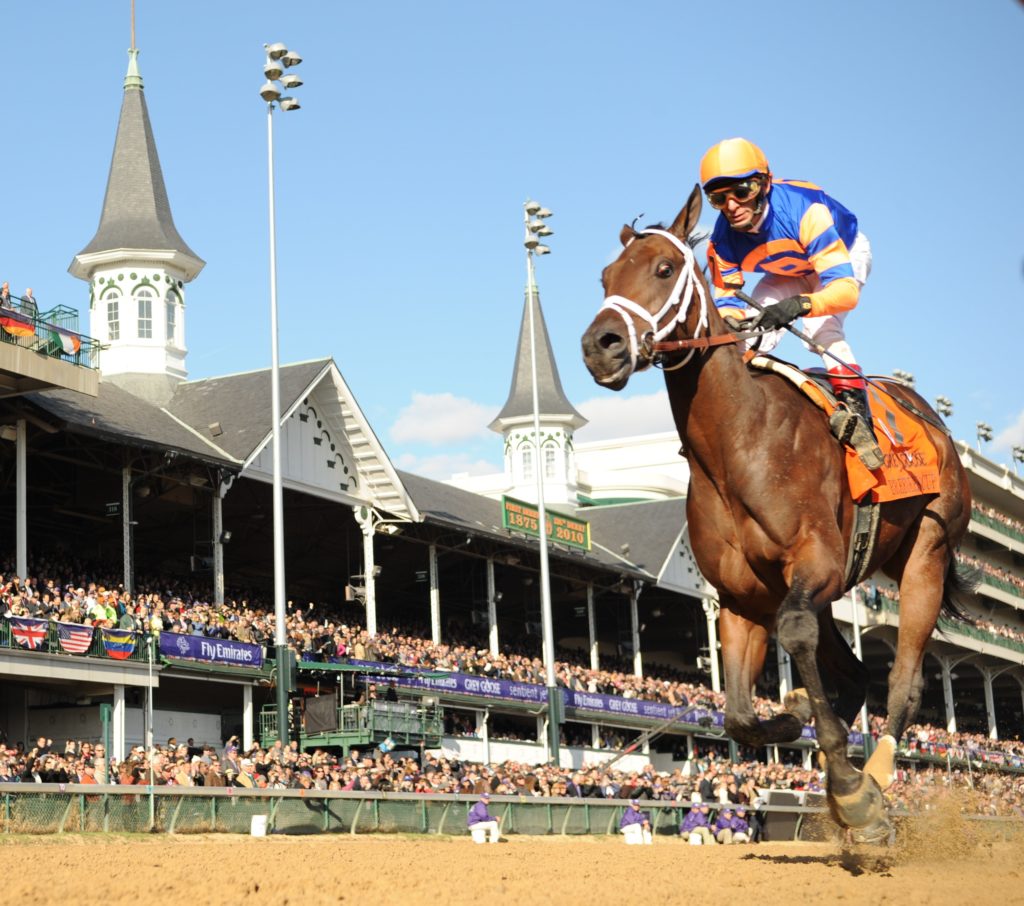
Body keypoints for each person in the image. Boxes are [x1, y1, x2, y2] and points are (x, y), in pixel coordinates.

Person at [700, 137, 884, 470]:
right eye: (718, 198)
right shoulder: (722, 239)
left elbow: (845, 292)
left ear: (765, 183)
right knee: (747, 334)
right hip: (787, 268)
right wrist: (731, 321)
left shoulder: (805, 210)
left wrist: (800, 305)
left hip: (842, 255)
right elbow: (726, 298)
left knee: (820, 328)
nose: (731, 205)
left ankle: (860, 418)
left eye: (742, 191)